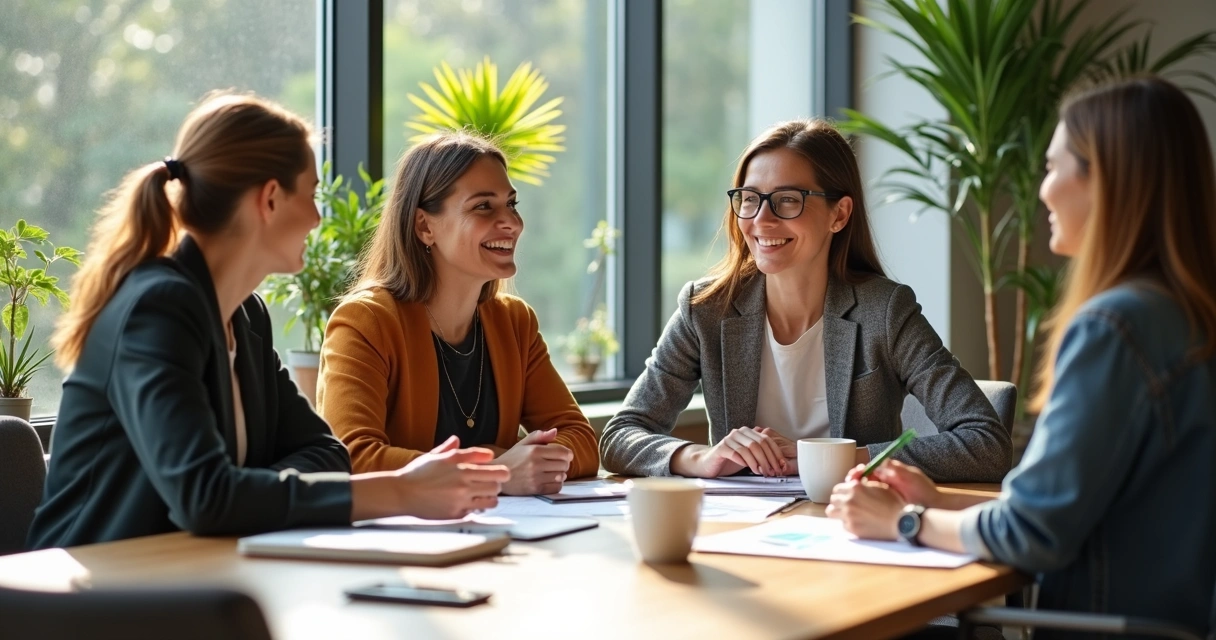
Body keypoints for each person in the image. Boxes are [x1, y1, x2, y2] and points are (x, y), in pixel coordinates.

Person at [28, 93, 509, 549]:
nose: (318, 217)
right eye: (313, 195)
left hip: (199, 571)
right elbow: (207, 497)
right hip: (93, 593)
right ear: (270, 199)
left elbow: (328, 454)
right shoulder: (158, 307)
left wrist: (250, 491)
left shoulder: (246, 314)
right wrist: (400, 492)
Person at [828, 77, 1216, 636]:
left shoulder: (1114, 328)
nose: (1042, 192)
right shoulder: (1185, 315)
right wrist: (941, 503)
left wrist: (905, 521)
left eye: (1054, 168)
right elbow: (1076, 509)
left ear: (1106, 180)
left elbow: (1035, 535)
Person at [600, 118, 1011, 481]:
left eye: (787, 200)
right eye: (749, 198)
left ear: (840, 214)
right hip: (741, 530)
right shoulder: (706, 309)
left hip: (854, 528)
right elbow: (620, 435)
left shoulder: (884, 312)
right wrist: (700, 458)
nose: (761, 219)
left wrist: (839, 458)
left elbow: (986, 442)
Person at [316, 131, 599, 496]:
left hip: (510, 538)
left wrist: (520, 464)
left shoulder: (515, 322)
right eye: (484, 206)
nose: (511, 222)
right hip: (407, 545)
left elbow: (582, 441)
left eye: (511, 204)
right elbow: (352, 458)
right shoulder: (366, 321)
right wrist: (495, 468)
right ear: (424, 225)